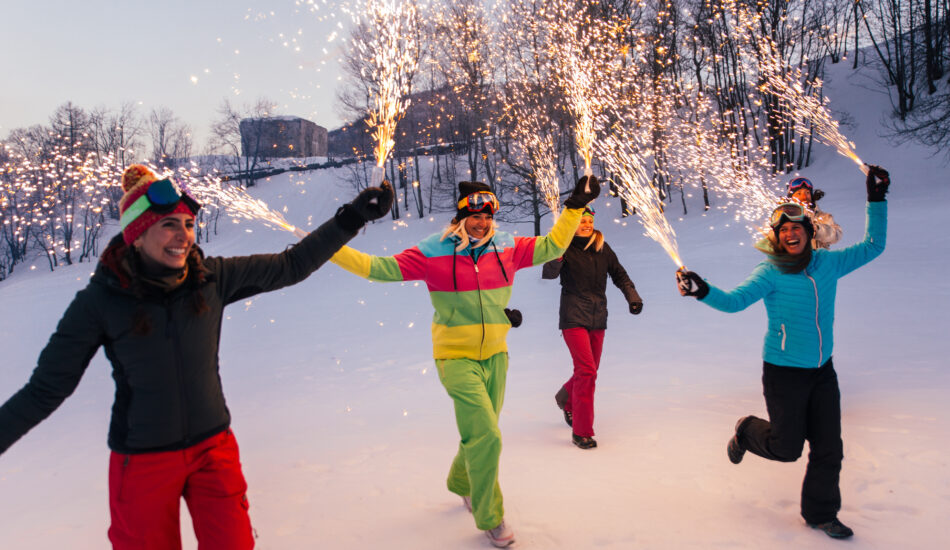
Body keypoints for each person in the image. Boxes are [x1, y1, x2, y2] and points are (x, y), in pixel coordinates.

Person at [0, 164, 393, 549]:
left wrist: (353, 218)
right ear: (136, 235)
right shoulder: (100, 302)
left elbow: (291, 266)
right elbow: (44, 390)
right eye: (168, 224)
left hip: (213, 450)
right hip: (142, 461)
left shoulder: (211, 278)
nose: (183, 236)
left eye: (188, 224)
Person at [329, 177, 600, 548]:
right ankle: (490, 516)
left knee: (480, 432)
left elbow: (554, 245)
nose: (481, 222)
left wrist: (572, 209)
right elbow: (379, 268)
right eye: (473, 215)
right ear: (460, 216)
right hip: (455, 357)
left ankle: (461, 481)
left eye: (487, 215)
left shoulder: (508, 247)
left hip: (496, 355)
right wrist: (327, 246)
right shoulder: (434, 250)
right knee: (488, 435)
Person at [675, 165, 890, 540]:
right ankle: (745, 431)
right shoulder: (770, 270)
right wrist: (702, 289)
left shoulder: (829, 263)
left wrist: (876, 198)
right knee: (787, 448)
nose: (791, 234)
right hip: (784, 373)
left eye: (797, 228)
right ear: (777, 237)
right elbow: (735, 302)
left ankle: (820, 514)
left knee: (829, 449)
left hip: (823, 371)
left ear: (809, 233)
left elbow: (875, 245)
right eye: (784, 230)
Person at [542, 206, 642, 449]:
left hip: (598, 317)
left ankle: (566, 398)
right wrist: (556, 254)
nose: (586, 224)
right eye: (581, 221)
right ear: (572, 224)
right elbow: (548, 273)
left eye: (589, 221)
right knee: (587, 371)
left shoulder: (601, 247)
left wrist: (633, 297)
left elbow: (620, 275)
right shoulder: (562, 245)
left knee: (590, 369)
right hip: (573, 316)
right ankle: (582, 431)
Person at [787, 176, 842, 249]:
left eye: (807, 193)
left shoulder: (823, 217)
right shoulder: (782, 217)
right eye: (799, 194)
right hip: (793, 259)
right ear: (791, 198)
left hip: (820, 259)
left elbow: (837, 235)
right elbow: (770, 242)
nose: (804, 197)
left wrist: (817, 230)